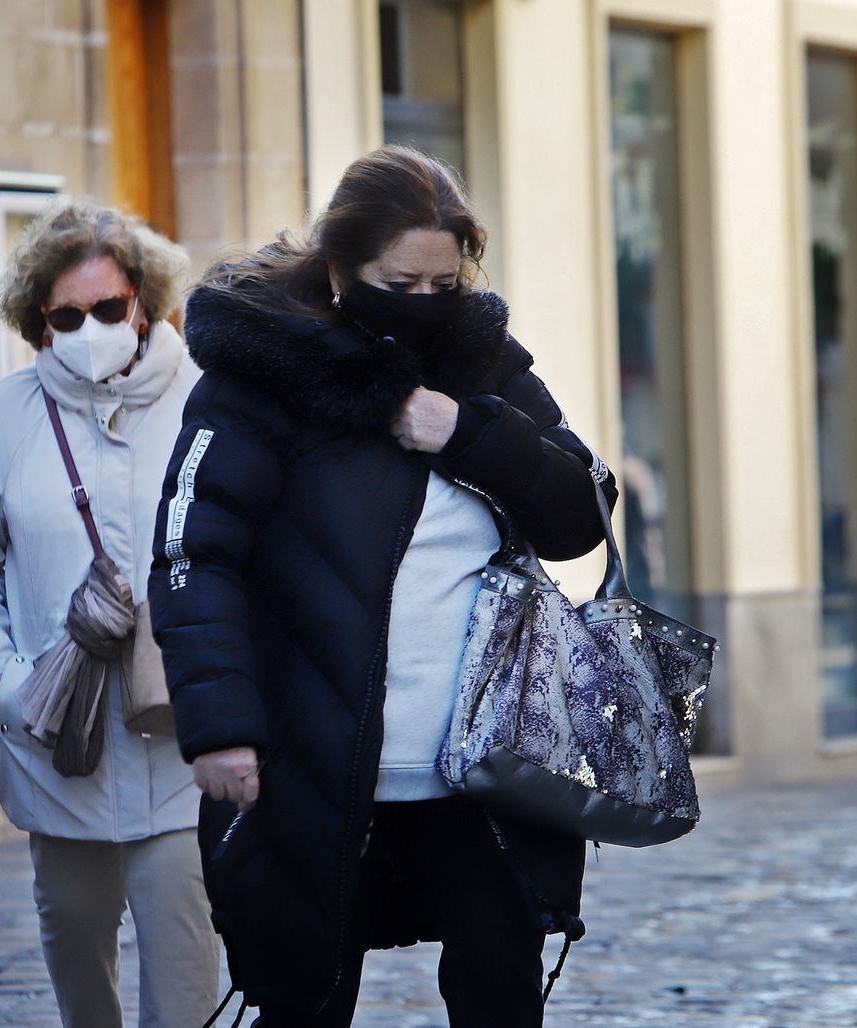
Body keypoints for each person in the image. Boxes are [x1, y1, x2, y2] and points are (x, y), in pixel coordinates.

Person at [149, 146, 617, 1026]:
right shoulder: (259, 378)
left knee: (500, 999)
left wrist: (471, 432)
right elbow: (192, 555)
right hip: (313, 766)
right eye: (402, 287)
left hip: (486, 773)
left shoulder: (485, 365)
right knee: (303, 998)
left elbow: (579, 510)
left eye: (446, 286)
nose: (428, 308)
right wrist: (221, 727)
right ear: (339, 267)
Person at [0, 200, 220, 1027]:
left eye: (106, 307)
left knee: (184, 971)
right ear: (39, 322)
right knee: (76, 959)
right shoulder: (4, 414)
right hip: (59, 742)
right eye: (67, 314)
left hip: (179, 747)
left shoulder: (206, 401)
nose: (90, 326)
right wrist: (2, 682)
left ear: (142, 299)